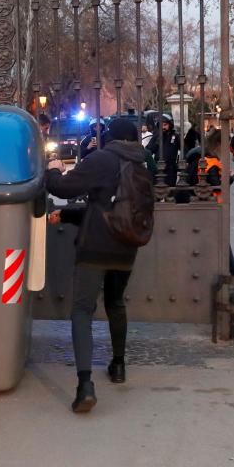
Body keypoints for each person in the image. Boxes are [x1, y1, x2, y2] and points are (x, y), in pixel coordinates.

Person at [45, 118, 151, 414]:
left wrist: (53, 172)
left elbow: (64, 188)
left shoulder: (102, 159)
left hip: (95, 247)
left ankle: (85, 386)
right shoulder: (142, 166)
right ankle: (118, 366)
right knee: (116, 302)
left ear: (110, 137)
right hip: (127, 246)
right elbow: (109, 207)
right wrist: (67, 217)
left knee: (82, 310)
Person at [148, 113, 180, 187]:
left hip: (170, 168)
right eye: (161, 125)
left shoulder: (175, 136)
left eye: (165, 125)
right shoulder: (156, 136)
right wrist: (157, 142)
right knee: (158, 190)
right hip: (158, 167)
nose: (163, 127)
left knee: (170, 190)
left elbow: (184, 149)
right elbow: (149, 150)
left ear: (170, 125)